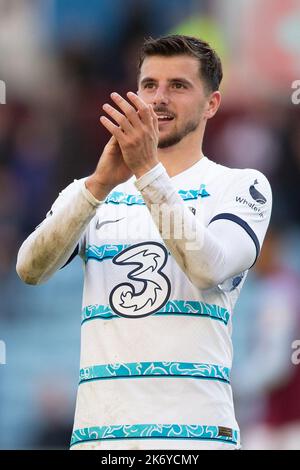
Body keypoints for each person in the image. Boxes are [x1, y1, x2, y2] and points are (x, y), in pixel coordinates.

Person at [16, 35, 272, 450]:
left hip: (195, 440)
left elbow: (209, 267)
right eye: (149, 85)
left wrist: (147, 171)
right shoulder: (91, 191)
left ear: (212, 104)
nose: (159, 98)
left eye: (179, 86)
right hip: (100, 441)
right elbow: (29, 269)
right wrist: (100, 185)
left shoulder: (240, 185)